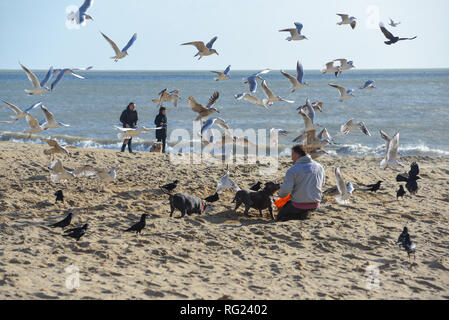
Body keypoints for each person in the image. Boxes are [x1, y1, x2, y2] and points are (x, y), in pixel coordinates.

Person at [277, 144, 326, 221]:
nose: (291, 158)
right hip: (315, 204)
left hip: (298, 205)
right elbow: (322, 184)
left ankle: (300, 216)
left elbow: (284, 192)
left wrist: (279, 193)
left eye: (292, 154)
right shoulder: (319, 166)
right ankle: (305, 213)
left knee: (280, 216)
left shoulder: (293, 170)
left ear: (297, 155)